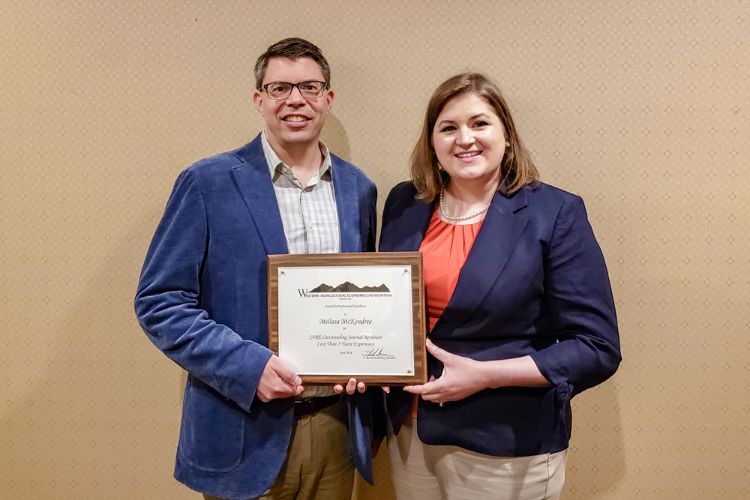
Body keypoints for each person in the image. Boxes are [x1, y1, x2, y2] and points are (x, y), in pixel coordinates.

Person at [134, 38, 379, 500]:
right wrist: (248, 367)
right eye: (280, 87)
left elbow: (365, 299)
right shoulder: (207, 183)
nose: (295, 100)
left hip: (336, 428)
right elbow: (160, 302)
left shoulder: (358, 189)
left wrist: (367, 356)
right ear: (259, 100)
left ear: (328, 98)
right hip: (242, 425)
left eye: (309, 86)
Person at [379, 72, 621, 499]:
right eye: (448, 127)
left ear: (506, 134)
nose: (464, 138)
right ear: (432, 142)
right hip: (410, 435)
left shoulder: (555, 213)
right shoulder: (405, 203)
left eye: (479, 123)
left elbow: (596, 348)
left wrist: (486, 376)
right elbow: (387, 310)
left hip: (504, 442)